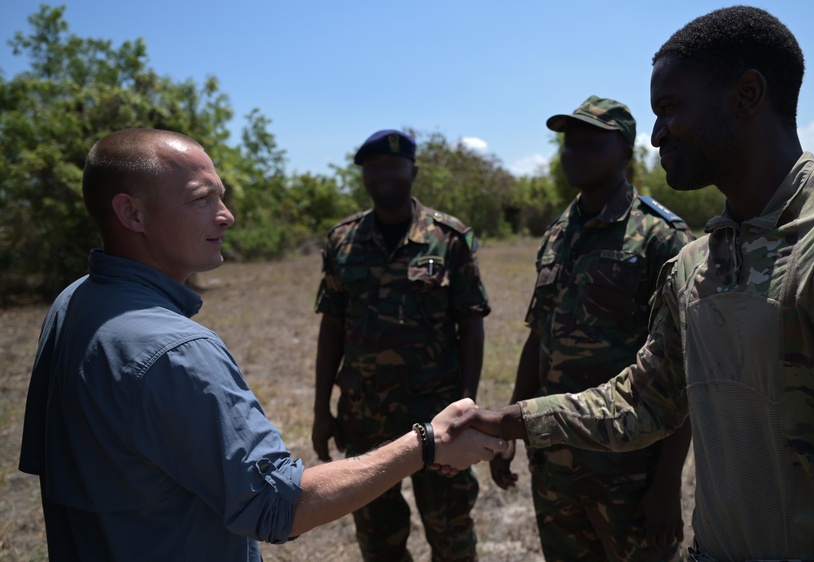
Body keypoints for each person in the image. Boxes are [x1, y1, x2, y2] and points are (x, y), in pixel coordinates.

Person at [448, 6, 814, 561]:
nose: (655, 135)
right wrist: (506, 420)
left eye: (670, 109)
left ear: (747, 95)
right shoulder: (700, 261)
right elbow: (643, 401)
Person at [17, 128, 504, 562]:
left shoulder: (73, 303)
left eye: (221, 197)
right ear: (132, 212)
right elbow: (277, 505)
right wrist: (424, 443)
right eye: (201, 199)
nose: (226, 216)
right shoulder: (175, 350)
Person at [490, 95, 694, 561]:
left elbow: (686, 371)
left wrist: (667, 485)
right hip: (555, 458)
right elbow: (538, 337)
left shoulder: (663, 236)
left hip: (628, 466)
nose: (573, 154)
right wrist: (508, 430)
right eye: (568, 144)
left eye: (589, 144)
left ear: (625, 152)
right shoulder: (559, 232)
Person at [313, 129, 491, 561]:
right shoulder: (343, 240)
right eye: (374, 168)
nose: (384, 175)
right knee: (378, 538)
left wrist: (467, 405)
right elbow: (332, 325)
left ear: (413, 170)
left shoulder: (450, 237)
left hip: (436, 413)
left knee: (451, 533)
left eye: (393, 166)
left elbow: (471, 323)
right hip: (364, 416)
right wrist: (321, 409)